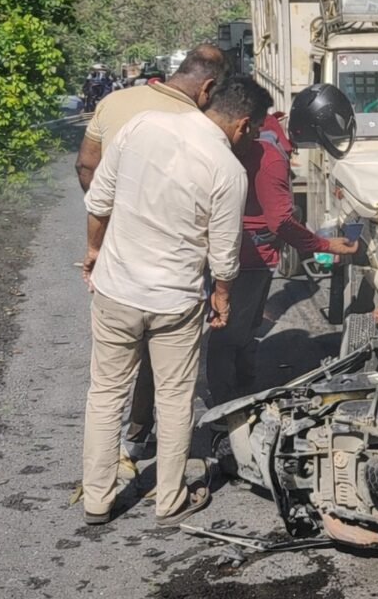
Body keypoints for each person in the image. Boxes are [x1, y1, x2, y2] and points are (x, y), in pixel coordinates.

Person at [78, 78, 264, 527]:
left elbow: (99, 200)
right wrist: (221, 297)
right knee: (176, 398)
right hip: (175, 301)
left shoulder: (143, 125)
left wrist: (94, 251)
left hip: (117, 289)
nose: (252, 139)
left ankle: (97, 501)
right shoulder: (228, 169)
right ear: (242, 124)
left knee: (106, 394)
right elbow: (224, 255)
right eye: (255, 131)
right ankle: (169, 500)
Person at [74, 45, 229, 464]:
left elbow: (86, 167)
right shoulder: (200, 126)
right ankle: (140, 437)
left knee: (108, 375)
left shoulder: (115, 102)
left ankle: (100, 481)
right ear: (208, 87)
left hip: (116, 252)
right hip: (175, 267)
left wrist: (102, 234)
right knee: (164, 363)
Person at [206, 106, 359, 407]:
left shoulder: (268, 128)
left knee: (245, 328)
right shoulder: (272, 157)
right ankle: (226, 405)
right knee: (232, 332)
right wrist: (325, 245)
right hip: (250, 258)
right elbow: (281, 222)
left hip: (245, 249)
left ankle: (244, 385)